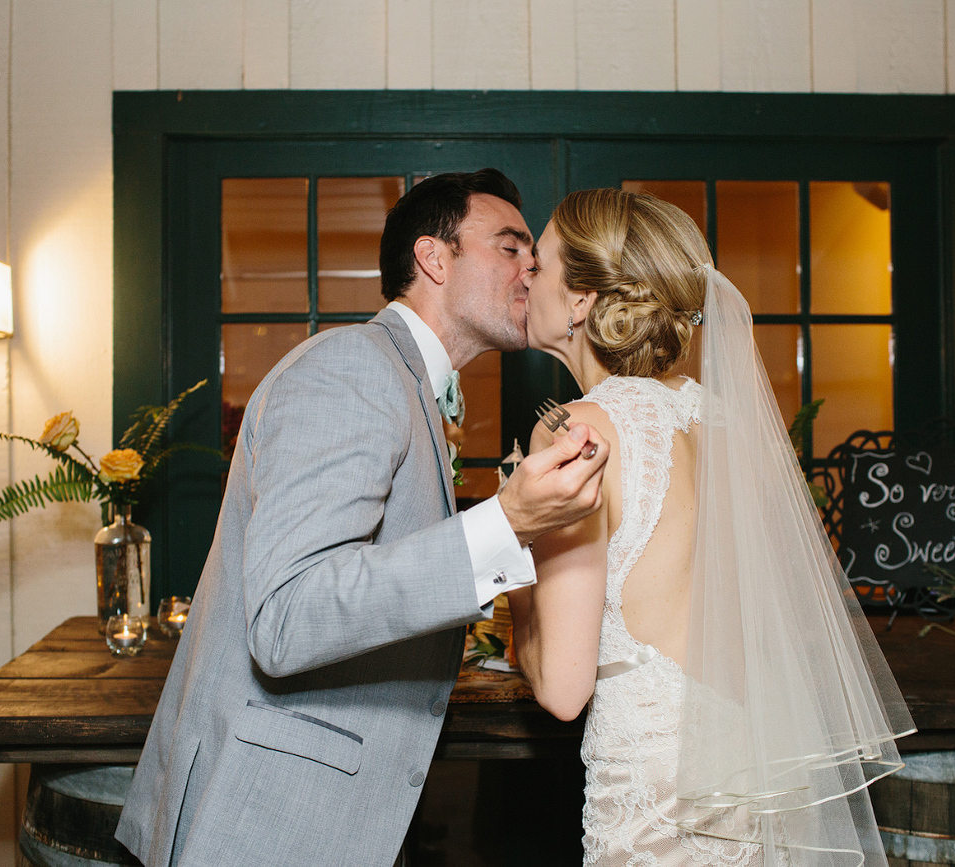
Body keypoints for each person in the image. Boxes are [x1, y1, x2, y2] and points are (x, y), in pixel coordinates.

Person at [115, 169, 610, 867]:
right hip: (265, 822)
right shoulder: (351, 368)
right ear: (433, 259)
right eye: (509, 247)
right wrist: (505, 523)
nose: (532, 267)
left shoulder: (405, 385)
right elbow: (286, 617)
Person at [509, 188, 914, 867]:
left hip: (655, 782)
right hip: (750, 759)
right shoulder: (724, 421)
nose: (525, 275)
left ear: (581, 298)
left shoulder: (572, 432)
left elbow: (561, 687)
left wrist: (516, 557)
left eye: (540, 262)